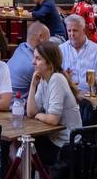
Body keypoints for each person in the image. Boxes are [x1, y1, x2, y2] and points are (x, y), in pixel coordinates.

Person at [27, 39, 83, 167]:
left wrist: (39, 116)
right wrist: (33, 85)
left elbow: (53, 119)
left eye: (38, 59)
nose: (33, 62)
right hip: (55, 139)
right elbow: (30, 112)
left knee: (22, 151)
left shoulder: (57, 79)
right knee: (20, 147)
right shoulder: (44, 79)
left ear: (49, 62)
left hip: (67, 145)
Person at [59, 14, 97, 92]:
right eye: (69, 31)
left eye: (75, 30)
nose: (71, 34)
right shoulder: (60, 49)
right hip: (68, 95)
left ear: (84, 30)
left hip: (92, 96)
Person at [7, 20, 49, 105]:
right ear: (40, 37)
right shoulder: (34, 64)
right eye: (48, 39)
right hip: (17, 109)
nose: (49, 43)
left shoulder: (21, 47)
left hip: (9, 100)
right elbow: (50, 89)